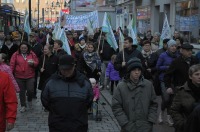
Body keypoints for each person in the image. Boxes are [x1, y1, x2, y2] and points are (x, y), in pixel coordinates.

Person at [41, 55, 93, 132]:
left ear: (74, 66)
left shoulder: (84, 82)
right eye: (63, 69)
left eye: (69, 69)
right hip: (57, 125)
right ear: (59, 67)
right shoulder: (51, 82)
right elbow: (45, 100)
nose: (66, 71)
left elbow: (89, 100)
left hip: (79, 125)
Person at [112, 57, 157, 132]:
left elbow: (153, 104)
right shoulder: (121, 86)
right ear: (129, 71)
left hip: (145, 127)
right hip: (128, 127)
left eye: (139, 70)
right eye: (134, 70)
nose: (137, 72)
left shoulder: (148, 85)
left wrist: (150, 121)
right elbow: (116, 106)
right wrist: (125, 123)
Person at [10, 41, 39, 112]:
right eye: (22, 48)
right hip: (19, 76)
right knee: (21, 92)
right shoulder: (15, 54)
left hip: (30, 75)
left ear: (27, 48)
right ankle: (23, 106)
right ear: (19, 48)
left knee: (30, 90)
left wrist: (33, 64)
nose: (23, 49)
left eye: (25, 48)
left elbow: (36, 62)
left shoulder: (32, 54)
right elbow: (12, 64)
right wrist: (10, 74)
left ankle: (29, 100)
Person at [170, 64, 200, 132]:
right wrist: (182, 124)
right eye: (197, 74)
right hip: (187, 127)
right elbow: (174, 110)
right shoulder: (182, 91)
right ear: (190, 76)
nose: (199, 77)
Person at [156, 39, 179, 126]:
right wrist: (168, 67)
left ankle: (169, 117)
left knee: (172, 100)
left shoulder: (177, 56)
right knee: (166, 99)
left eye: (175, 46)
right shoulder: (163, 55)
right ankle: (161, 113)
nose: (173, 48)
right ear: (168, 47)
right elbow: (158, 67)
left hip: (174, 81)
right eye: (172, 46)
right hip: (163, 80)